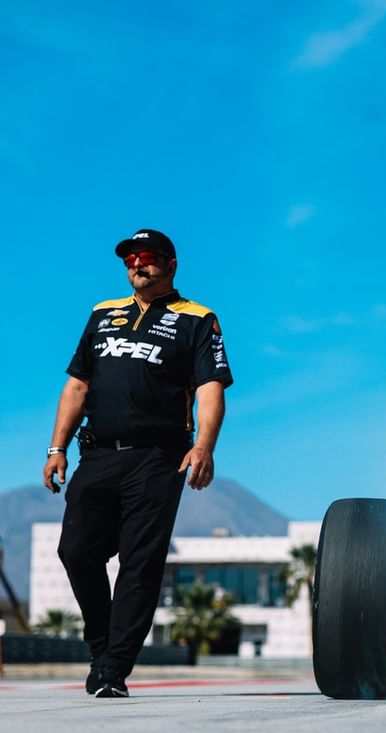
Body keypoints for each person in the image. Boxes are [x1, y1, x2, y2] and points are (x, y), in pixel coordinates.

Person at [41, 229, 233, 698]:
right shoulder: (102, 313)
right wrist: (56, 448)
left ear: (170, 264)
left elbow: (210, 388)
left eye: (146, 256)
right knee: (76, 551)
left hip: (158, 459)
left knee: (140, 563)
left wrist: (204, 446)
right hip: (98, 453)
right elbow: (77, 385)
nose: (136, 264)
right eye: (129, 258)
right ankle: (103, 645)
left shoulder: (198, 319)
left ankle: (112, 668)